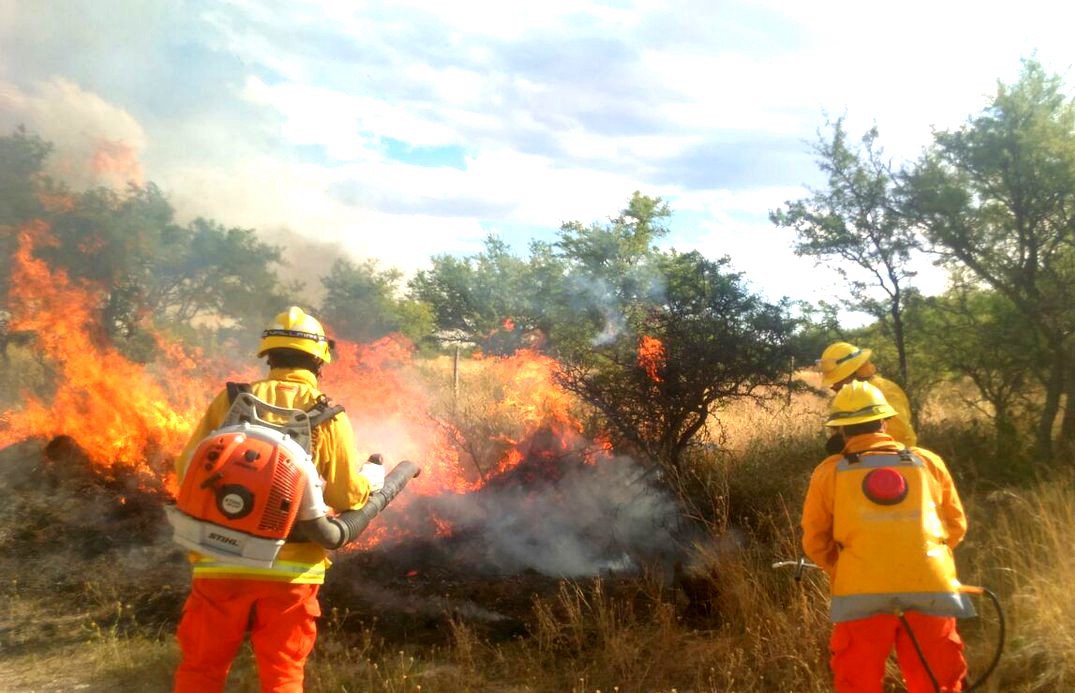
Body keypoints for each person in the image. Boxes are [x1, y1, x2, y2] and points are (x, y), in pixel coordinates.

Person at [173, 306, 378, 693]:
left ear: (268, 355)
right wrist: (370, 481)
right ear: (320, 359)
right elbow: (344, 494)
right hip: (293, 570)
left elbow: (188, 469)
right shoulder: (328, 412)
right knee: (283, 674)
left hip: (220, 559)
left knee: (201, 669)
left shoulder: (233, 399)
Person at [801, 380, 973, 693]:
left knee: (858, 684)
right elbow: (956, 526)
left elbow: (815, 541)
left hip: (859, 595)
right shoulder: (928, 462)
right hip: (932, 589)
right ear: (885, 422)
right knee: (938, 684)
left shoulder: (828, 472)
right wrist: (920, 557)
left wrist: (848, 570)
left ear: (840, 431)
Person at [817, 341, 917, 447]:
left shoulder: (885, 391)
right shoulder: (848, 395)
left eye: (839, 379)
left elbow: (897, 432)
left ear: (855, 372)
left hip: (895, 457)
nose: (834, 385)